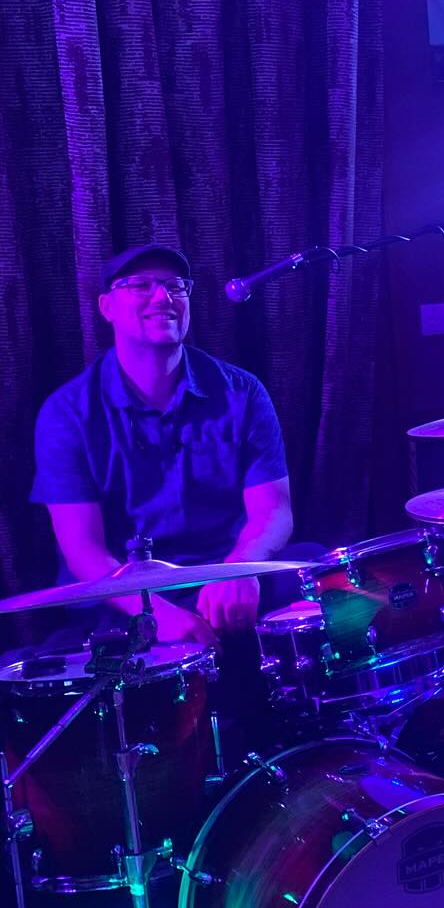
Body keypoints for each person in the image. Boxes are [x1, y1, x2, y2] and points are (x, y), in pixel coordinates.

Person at [30, 242, 296, 649]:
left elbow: (274, 510)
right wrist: (155, 614)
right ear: (106, 307)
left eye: (176, 286)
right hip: (121, 600)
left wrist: (241, 569)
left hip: (223, 579)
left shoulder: (242, 391)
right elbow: (83, 549)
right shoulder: (66, 413)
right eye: (141, 285)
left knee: (329, 584)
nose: (163, 298)